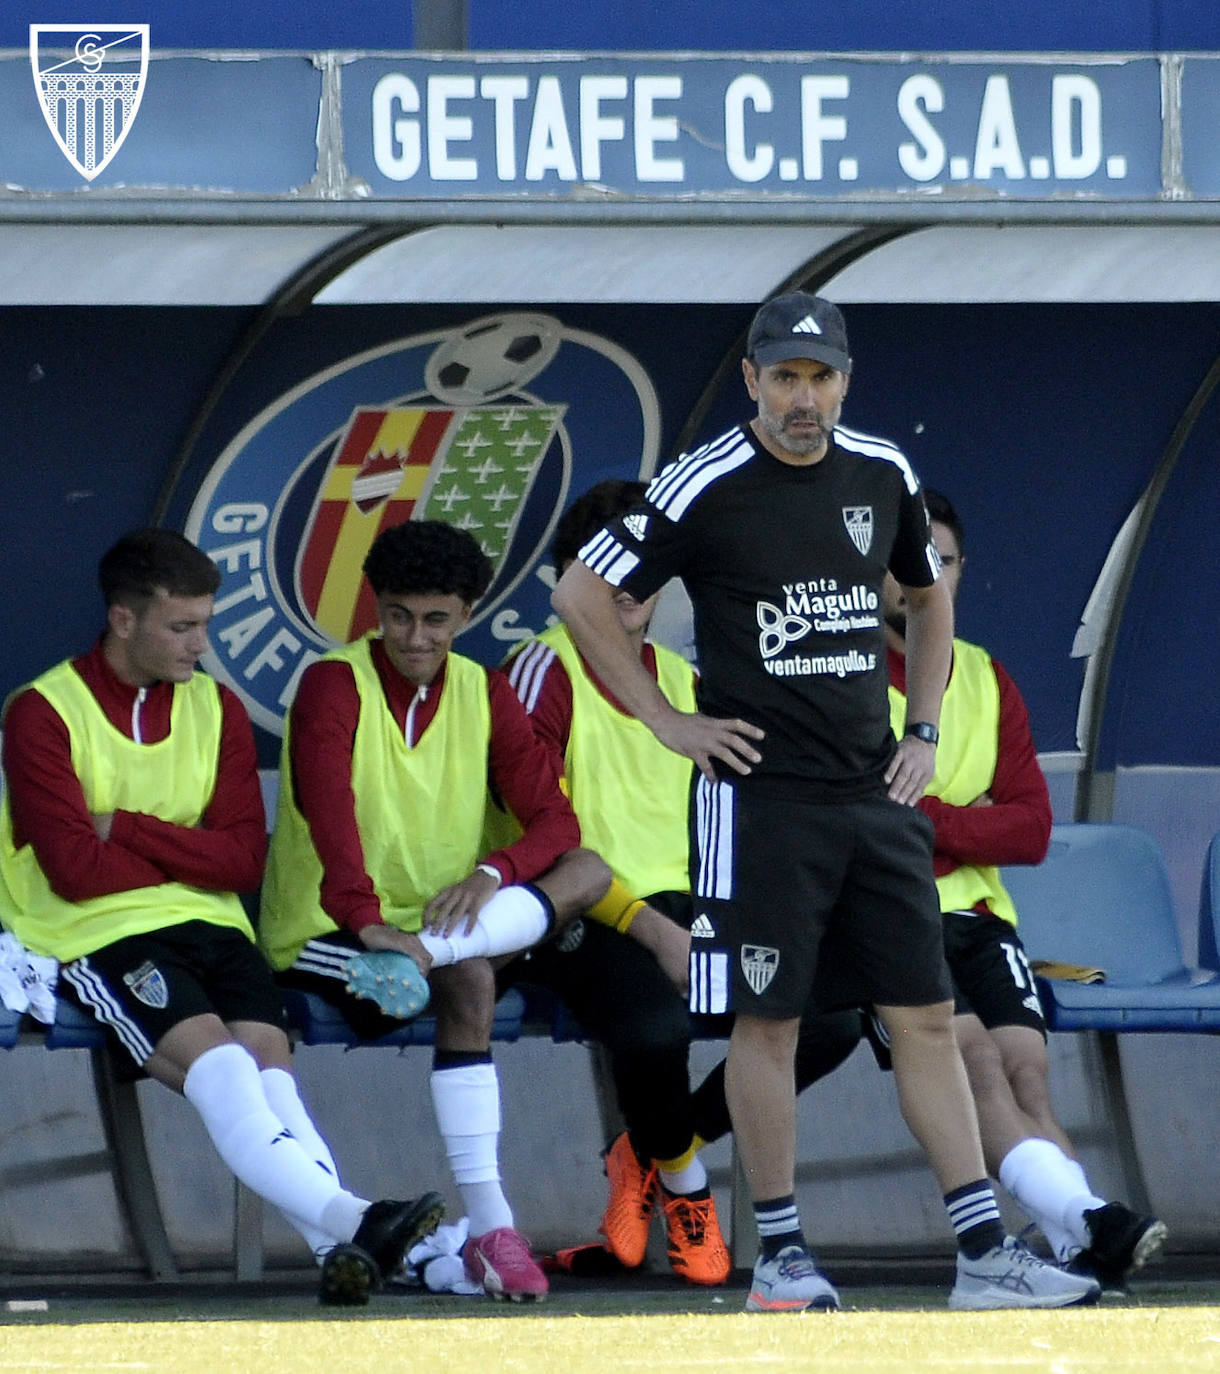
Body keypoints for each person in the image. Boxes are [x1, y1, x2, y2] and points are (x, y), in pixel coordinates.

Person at [551, 290, 1100, 1312]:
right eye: (785, 377)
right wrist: (664, 723)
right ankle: (785, 1260)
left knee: (927, 1019)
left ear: (844, 381)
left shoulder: (882, 471)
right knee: (769, 1024)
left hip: (872, 796)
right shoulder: (702, 480)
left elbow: (925, 597)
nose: (804, 398)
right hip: (759, 802)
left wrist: (923, 730)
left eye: (821, 377)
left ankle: (982, 1256)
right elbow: (581, 596)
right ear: (752, 379)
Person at [0, 528, 443, 1307]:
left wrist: (129, 829)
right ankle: (364, 1222)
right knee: (231, 1072)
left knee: (274, 1089)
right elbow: (72, 872)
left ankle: (347, 1245)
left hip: (214, 927)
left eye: (206, 623)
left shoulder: (217, 708)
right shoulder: (43, 711)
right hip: (98, 934)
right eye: (182, 627)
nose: (201, 645)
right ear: (123, 619)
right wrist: (184, 852)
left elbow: (243, 859)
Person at [504, 481, 866, 1286]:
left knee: (831, 1019)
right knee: (656, 1031)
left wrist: (743, 910)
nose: (628, 590)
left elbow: (732, 811)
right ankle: (688, 1190)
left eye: (644, 570)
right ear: (571, 578)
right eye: (606, 571)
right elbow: (534, 837)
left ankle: (655, 1145)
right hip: (581, 912)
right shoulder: (539, 670)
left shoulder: (681, 675)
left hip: (695, 905)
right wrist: (650, 926)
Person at [259, 519, 610, 1303]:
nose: (415, 637)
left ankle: (489, 1232)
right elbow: (327, 812)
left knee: (587, 869)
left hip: (432, 934)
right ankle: (493, 1220)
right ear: (376, 608)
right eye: (398, 616)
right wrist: (368, 920)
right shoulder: (332, 683)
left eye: (436, 619)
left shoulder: (483, 690)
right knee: (474, 979)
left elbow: (556, 823)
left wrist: (492, 873)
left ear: (468, 613)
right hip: (329, 932)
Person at [880, 487, 1167, 1289]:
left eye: (939, 561)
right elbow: (871, 824)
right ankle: (1088, 1221)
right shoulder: (847, 679)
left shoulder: (984, 676)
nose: (920, 577)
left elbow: (1030, 830)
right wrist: (965, 818)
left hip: (980, 915)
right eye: (904, 563)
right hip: (890, 921)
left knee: (1026, 1072)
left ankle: (1083, 1243)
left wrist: (929, 818)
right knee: (971, 1062)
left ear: (961, 573)